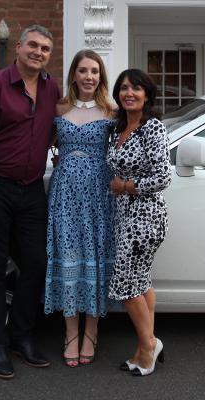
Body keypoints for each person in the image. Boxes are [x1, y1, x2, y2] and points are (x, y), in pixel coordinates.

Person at [0, 24, 60, 380]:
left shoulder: (51, 89)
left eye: (45, 48)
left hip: (31, 189)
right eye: (33, 45)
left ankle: (21, 336)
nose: (38, 52)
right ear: (18, 47)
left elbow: (53, 132)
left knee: (36, 262)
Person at [44, 50, 116, 367]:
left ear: (101, 76)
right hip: (65, 195)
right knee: (69, 257)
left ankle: (92, 332)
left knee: (94, 259)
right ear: (73, 74)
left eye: (95, 71)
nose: (89, 76)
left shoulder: (111, 111)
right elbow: (42, 140)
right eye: (83, 70)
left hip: (99, 196)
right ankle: (70, 332)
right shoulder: (59, 107)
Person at [106, 68, 171, 377]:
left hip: (145, 217)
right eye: (123, 88)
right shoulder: (119, 128)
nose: (128, 93)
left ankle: (148, 346)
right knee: (141, 282)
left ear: (147, 94)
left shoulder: (152, 128)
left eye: (136, 88)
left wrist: (126, 186)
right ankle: (146, 344)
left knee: (126, 286)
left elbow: (163, 176)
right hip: (126, 218)